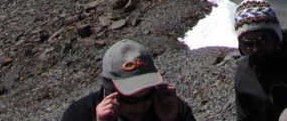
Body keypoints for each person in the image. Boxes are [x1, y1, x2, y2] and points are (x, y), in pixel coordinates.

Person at [61, 39, 196, 121]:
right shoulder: (79, 115)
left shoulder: (172, 108)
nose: (140, 107)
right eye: (130, 99)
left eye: (147, 96)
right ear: (109, 92)